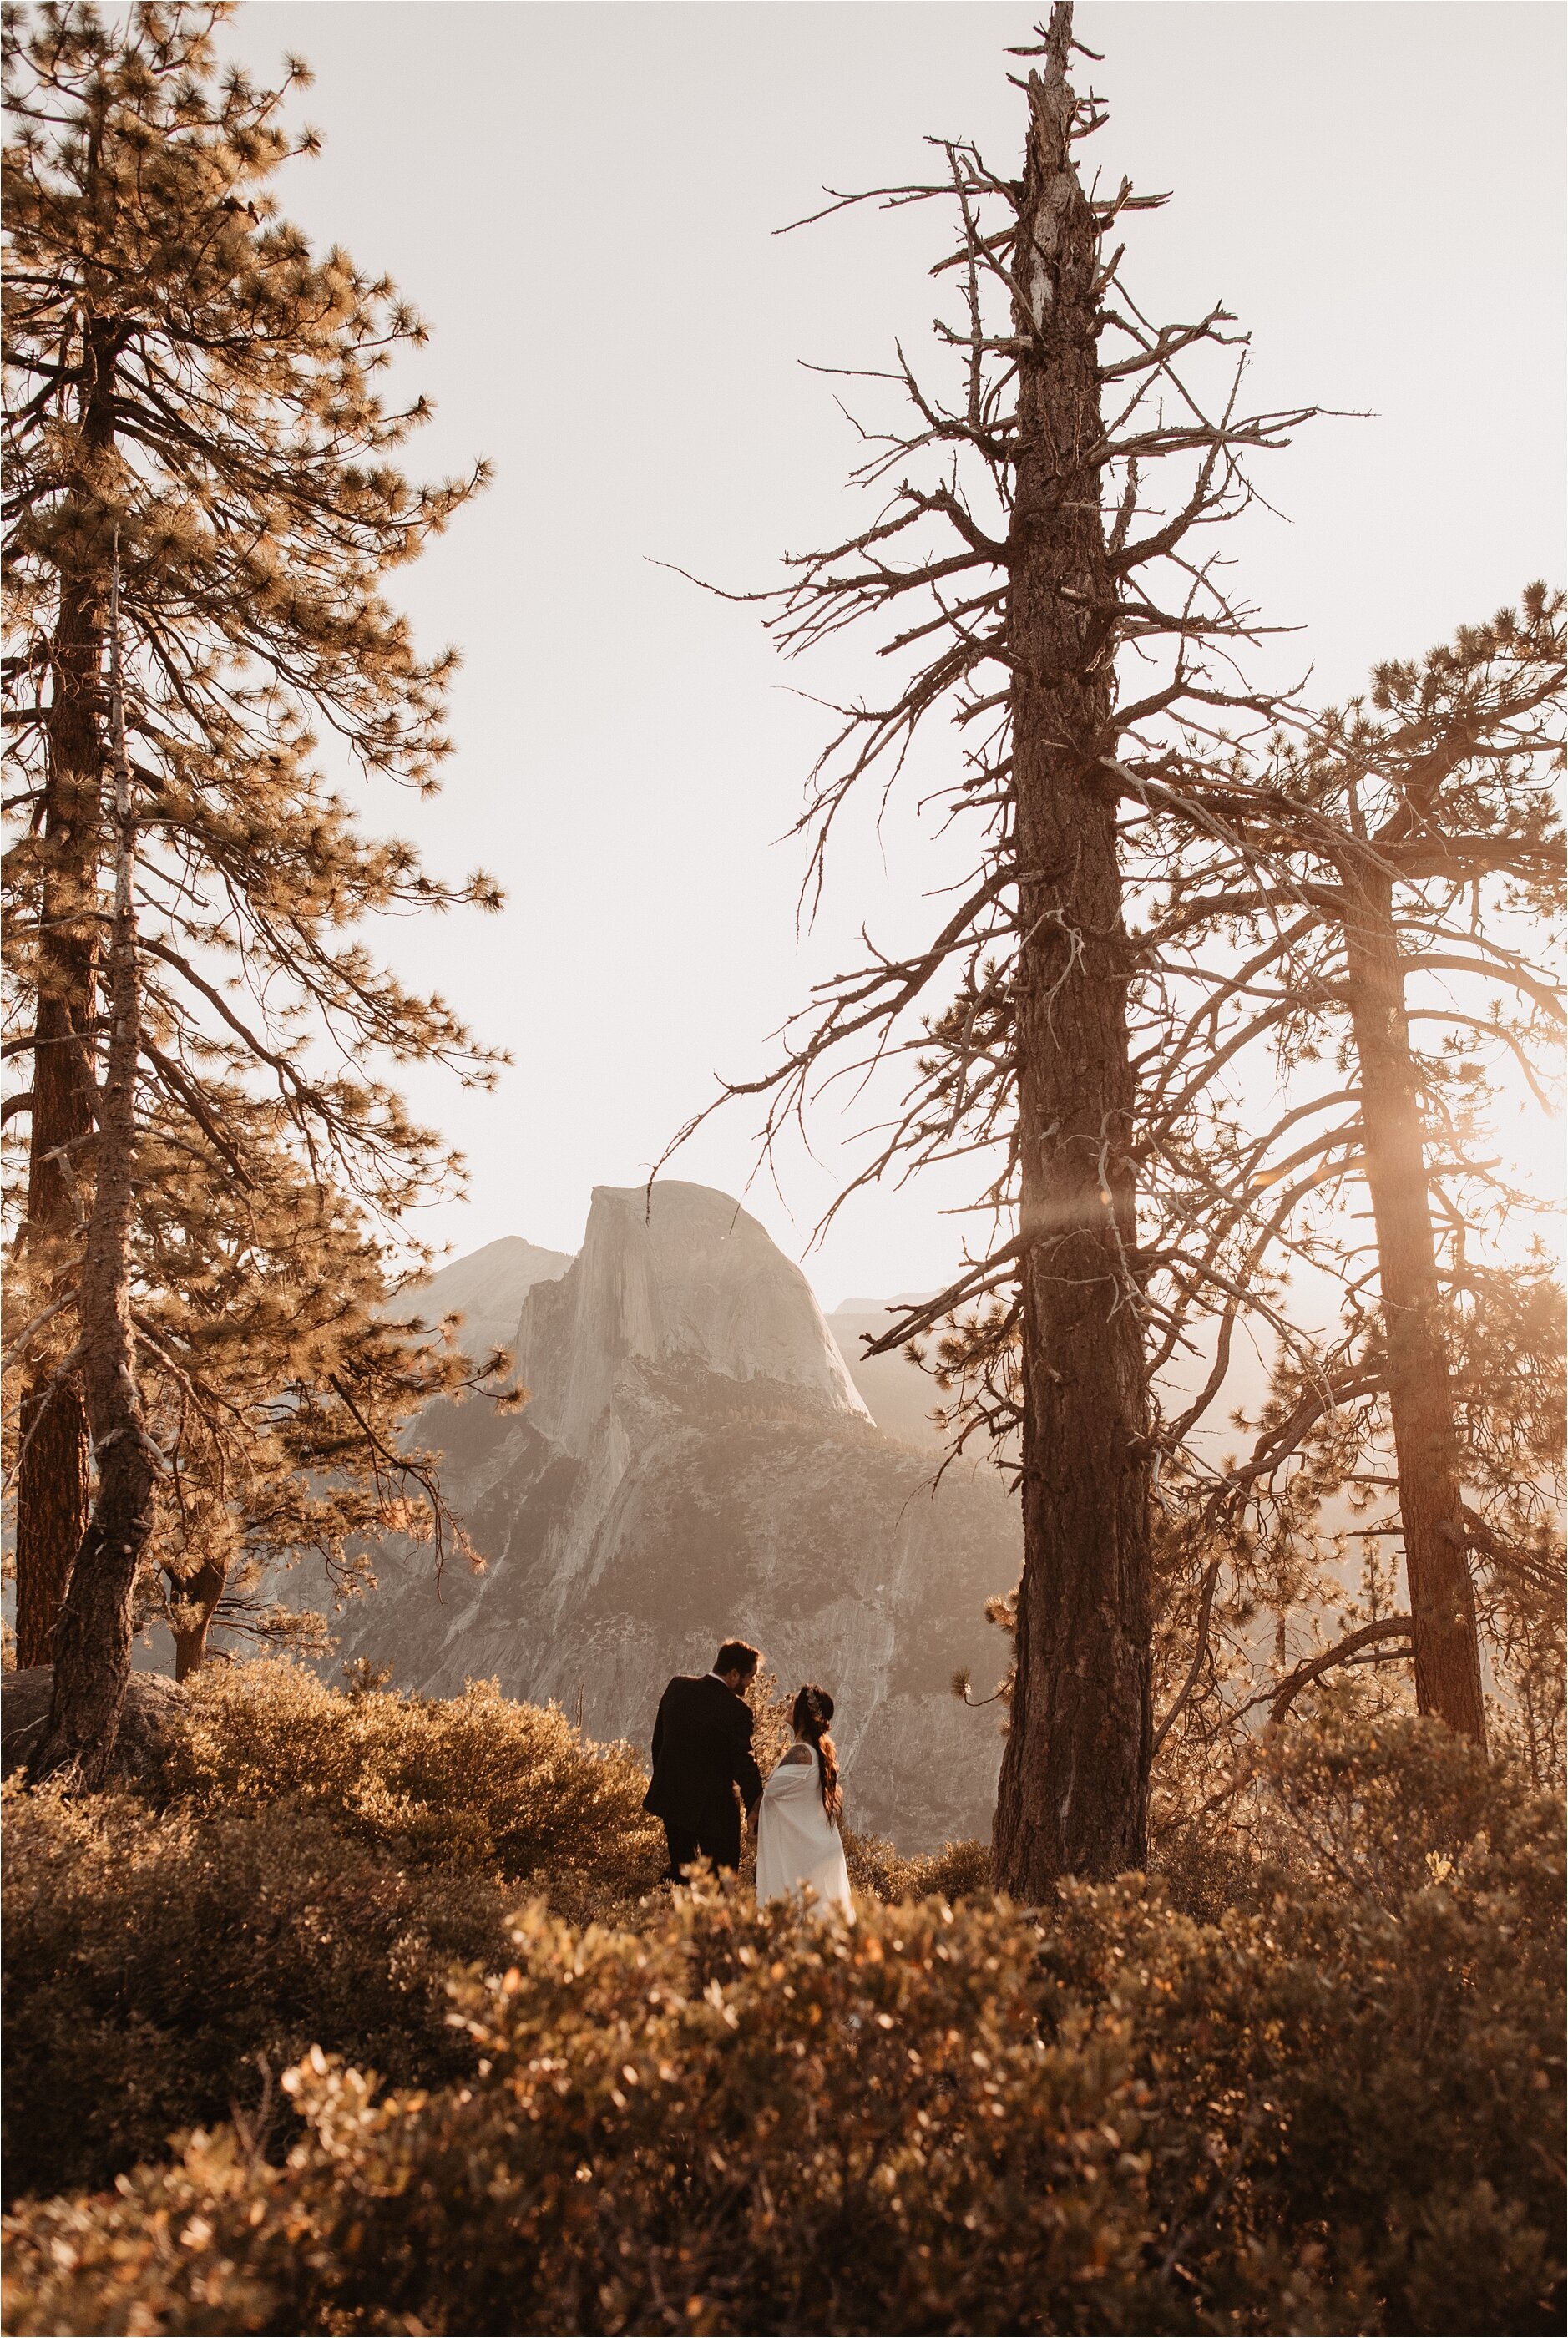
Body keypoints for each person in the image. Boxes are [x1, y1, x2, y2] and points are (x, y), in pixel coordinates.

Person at [644, 1638, 763, 1881]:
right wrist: (756, 1807)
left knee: (681, 1875)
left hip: (674, 1802)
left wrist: (668, 1782)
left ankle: (679, 1917)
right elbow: (743, 1765)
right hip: (716, 1813)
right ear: (733, 1674)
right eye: (750, 1676)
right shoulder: (737, 1711)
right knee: (722, 1882)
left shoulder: (677, 1687)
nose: (751, 1683)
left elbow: (659, 1743)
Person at [754, 1683, 852, 1916]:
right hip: (812, 1853)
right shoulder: (810, 1751)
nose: (788, 1703)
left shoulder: (801, 1753)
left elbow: (771, 1793)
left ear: (804, 1713)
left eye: (794, 1701)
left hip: (806, 1858)